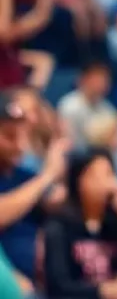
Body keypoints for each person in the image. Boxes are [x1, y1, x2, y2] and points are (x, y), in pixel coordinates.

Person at [41, 147, 117, 299]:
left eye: (108, 175)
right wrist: (103, 291)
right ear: (78, 181)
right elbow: (58, 287)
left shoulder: (116, 223)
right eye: (94, 176)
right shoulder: (59, 226)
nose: (104, 184)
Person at [0, 92, 70, 292]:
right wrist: (47, 175)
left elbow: (54, 204)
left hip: (47, 281)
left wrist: (59, 173)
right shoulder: (37, 178)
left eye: (21, 134)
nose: (19, 144)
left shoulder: (25, 175)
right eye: (9, 136)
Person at [58, 64, 117, 149]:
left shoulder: (109, 109)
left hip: (102, 155)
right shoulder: (69, 106)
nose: (101, 84)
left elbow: (114, 142)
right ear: (83, 80)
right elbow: (66, 139)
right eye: (97, 79)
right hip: (75, 156)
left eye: (104, 80)